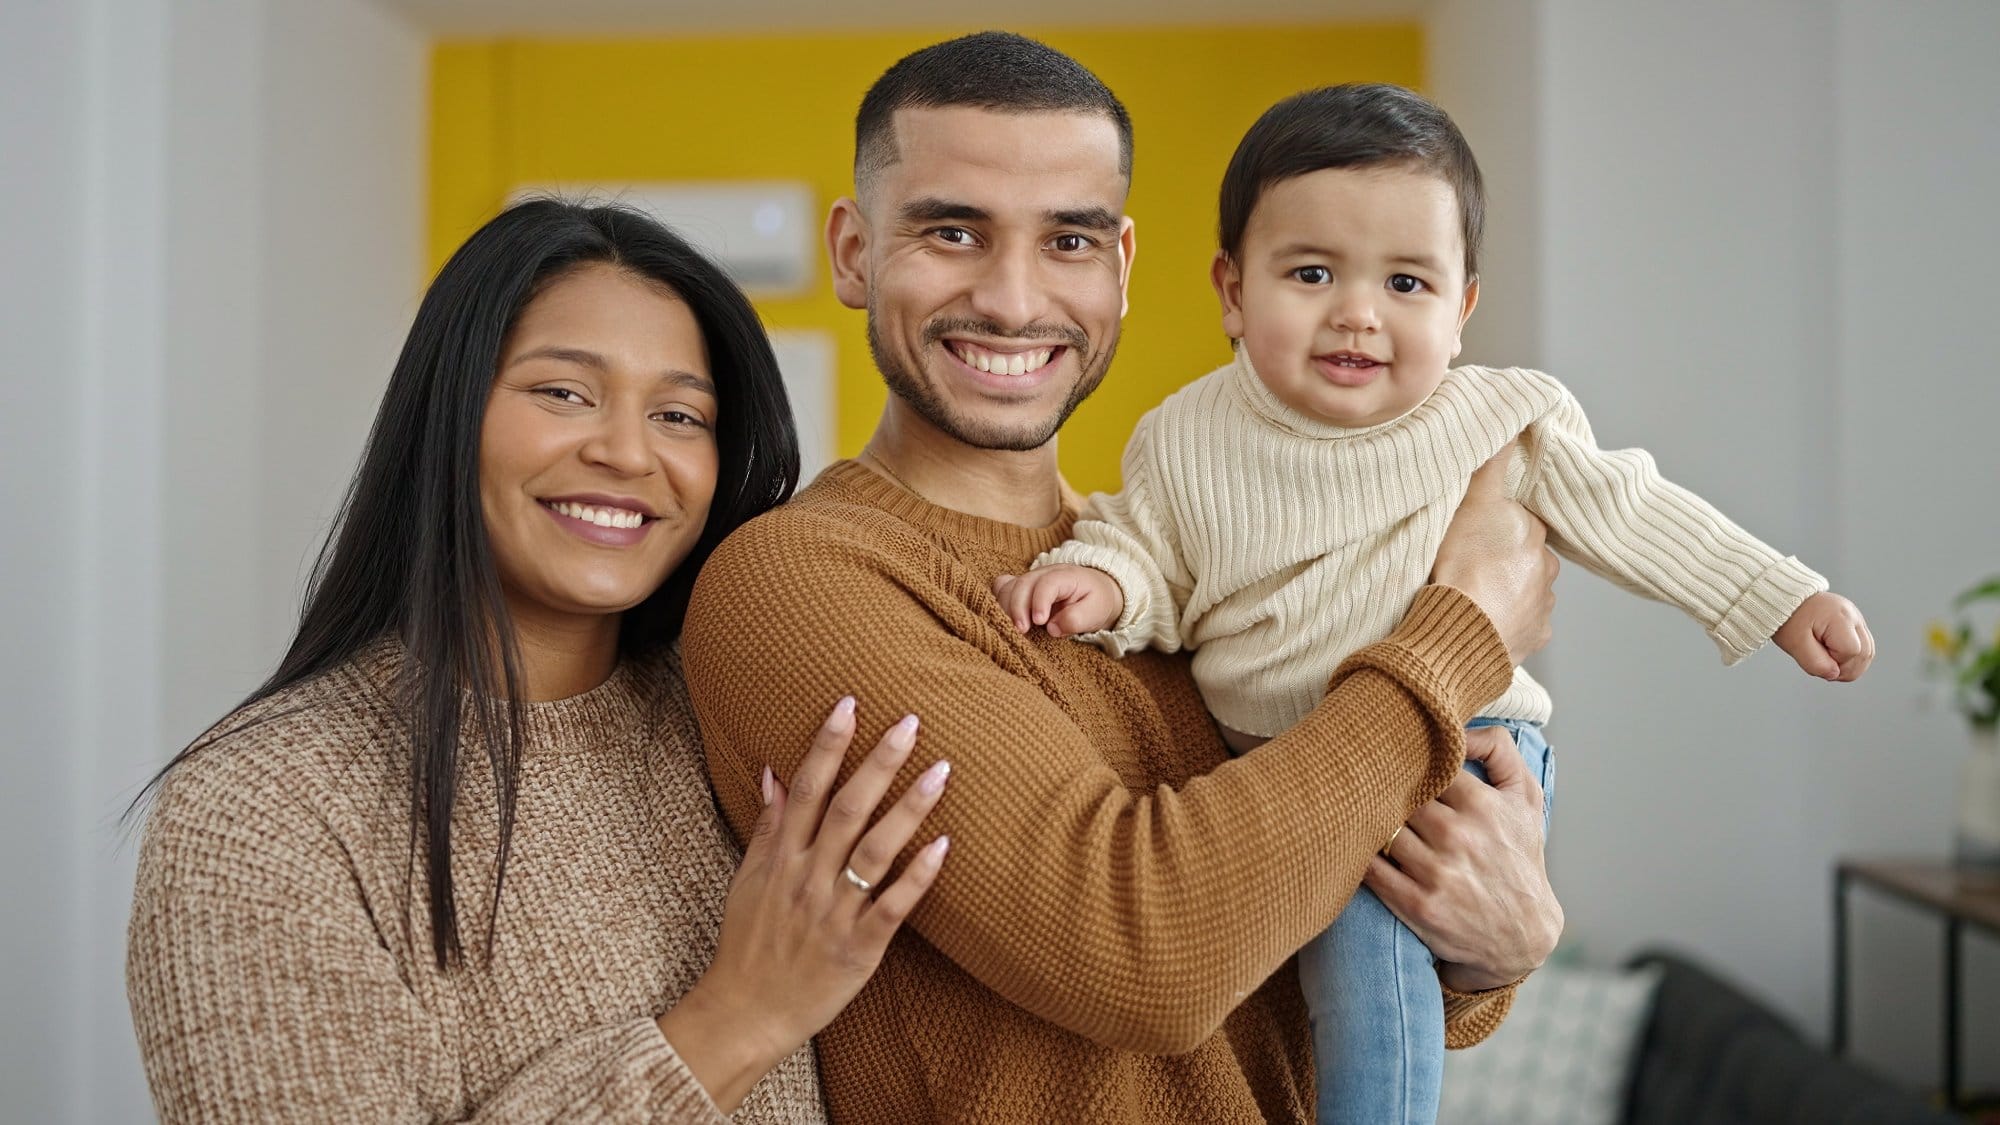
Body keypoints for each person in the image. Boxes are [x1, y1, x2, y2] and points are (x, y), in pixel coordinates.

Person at [680, 33, 1564, 1124]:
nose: (1011, 300)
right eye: (951, 232)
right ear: (855, 253)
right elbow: (1146, 951)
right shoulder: (801, 580)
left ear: (1122, 270)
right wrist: (1459, 630)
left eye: (1067, 240)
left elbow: (1301, 918)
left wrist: (1497, 951)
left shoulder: (1163, 573)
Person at [997, 83, 1874, 1124]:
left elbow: (1635, 514)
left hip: (1462, 745)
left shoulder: (1502, 420)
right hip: (1276, 764)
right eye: (1311, 272)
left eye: (1404, 281)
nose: (1356, 313)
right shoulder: (1183, 437)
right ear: (1232, 290)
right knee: (1278, 976)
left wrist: (1777, 597)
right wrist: (1098, 584)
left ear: (1459, 309)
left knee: (1367, 957)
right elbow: (1155, 560)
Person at [125, 200, 951, 1122]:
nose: (628, 452)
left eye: (681, 414)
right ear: (450, 408)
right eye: (564, 393)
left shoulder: (736, 718)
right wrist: (738, 1017)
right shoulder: (263, 809)